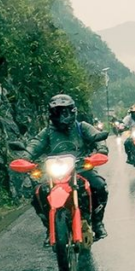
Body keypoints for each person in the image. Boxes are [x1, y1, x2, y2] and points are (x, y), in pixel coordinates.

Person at [22, 94, 109, 240]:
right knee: (38, 193)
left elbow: (96, 136)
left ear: (73, 111)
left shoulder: (82, 127)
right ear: (51, 113)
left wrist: (101, 150)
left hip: (81, 169)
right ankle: (50, 228)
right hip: (54, 173)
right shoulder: (47, 132)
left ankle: (97, 223)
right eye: (58, 111)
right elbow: (35, 144)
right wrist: (25, 157)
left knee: (99, 186)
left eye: (66, 111)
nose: (63, 115)